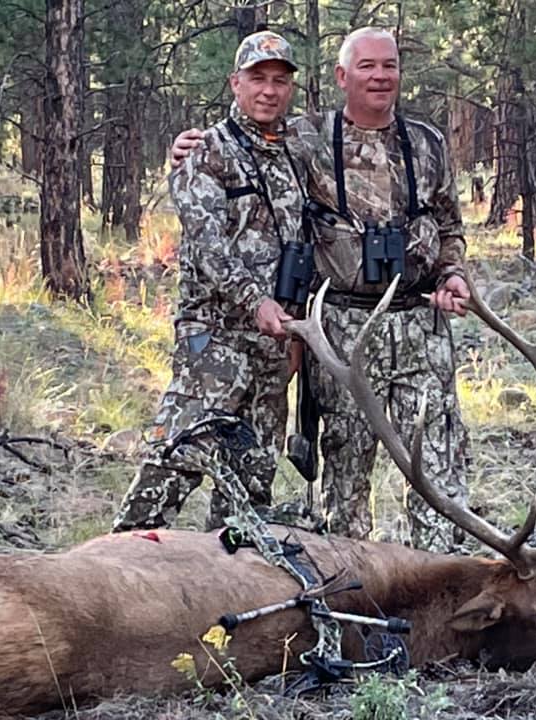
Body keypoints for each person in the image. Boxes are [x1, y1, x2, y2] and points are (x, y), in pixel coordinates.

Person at [171, 28, 471, 552]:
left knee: (438, 475)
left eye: (390, 66)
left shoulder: (428, 144)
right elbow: (241, 143)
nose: (380, 77)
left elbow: (450, 228)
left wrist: (453, 275)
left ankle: (441, 598)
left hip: (421, 326)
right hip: (340, 330)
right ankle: (354, 603)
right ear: (341, 76)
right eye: (367, 67)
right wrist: (186, 148)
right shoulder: (304, 137)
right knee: (345, 480)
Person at [112, 31, 305, 533]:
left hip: (273, 346)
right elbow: (206, 246)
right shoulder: (206, 151)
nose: (268, 90)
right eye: (257, 79)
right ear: (234, 83)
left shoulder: (297, 153)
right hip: (215, 341)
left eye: (279, 81)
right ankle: (115, 572)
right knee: (175, 458)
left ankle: (226, 590)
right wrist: (255, 300)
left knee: (251, 484)